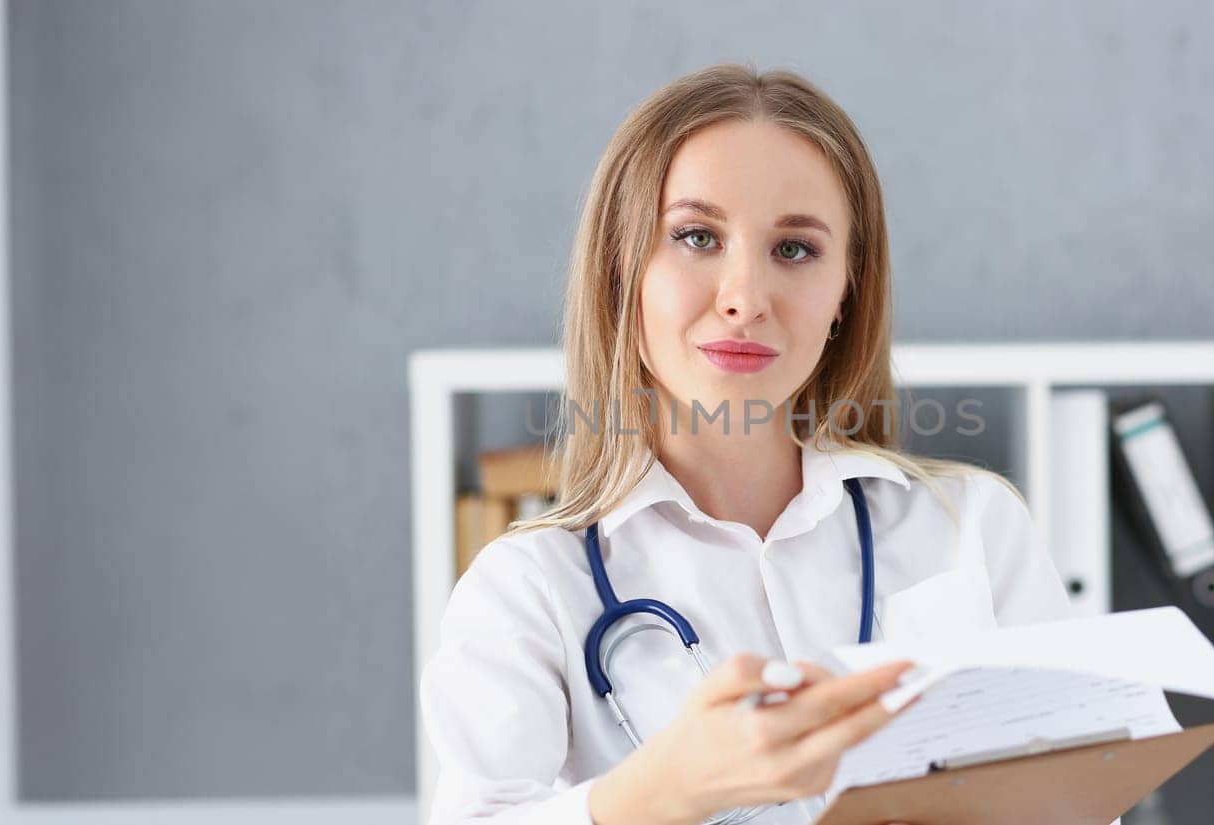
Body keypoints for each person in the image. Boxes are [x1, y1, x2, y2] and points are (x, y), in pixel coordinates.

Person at [420, 63, 1072, 825]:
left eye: (795, 249)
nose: (745, 298)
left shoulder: (973, 529)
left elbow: (1089, 793)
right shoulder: (527, 590)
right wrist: (658, 792)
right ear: (619, 274)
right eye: (697, 236)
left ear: (845, 295)